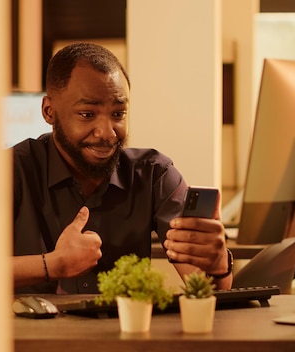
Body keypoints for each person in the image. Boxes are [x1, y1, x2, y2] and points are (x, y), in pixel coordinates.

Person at [12, 42, 232, 294]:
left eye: (118, 114)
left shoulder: (154, 175)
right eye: (87, 114)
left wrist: (217, 265)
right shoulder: (12, 171)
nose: (107, 133)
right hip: (29, 333)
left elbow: (208, 288)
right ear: (49, 111)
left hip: (126, 332)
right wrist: (51, 265)